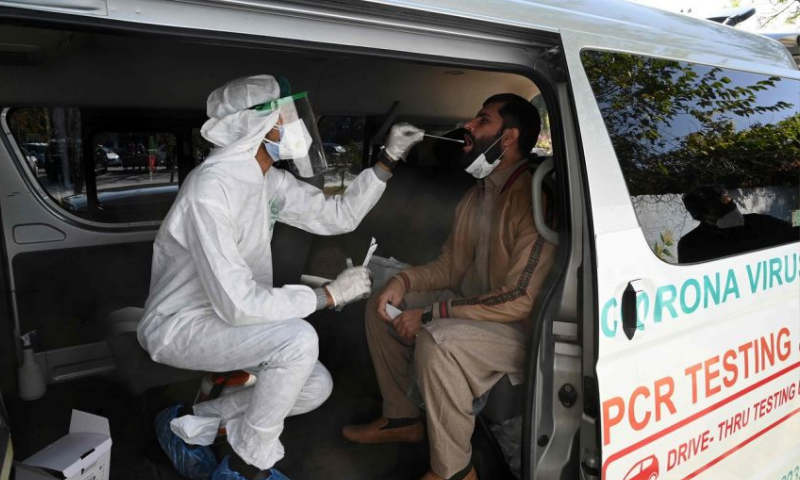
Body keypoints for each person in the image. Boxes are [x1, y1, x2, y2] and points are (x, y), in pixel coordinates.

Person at [137, 74, 424, 480]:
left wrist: (387, 161)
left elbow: (338, 216)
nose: (300, 127)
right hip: (181, 325)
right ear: (259, 124)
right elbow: (237, 303)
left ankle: (186, 423)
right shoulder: (210, 188)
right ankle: (246, 467)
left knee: (315, 385)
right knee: (298, 340)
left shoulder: (266, 179)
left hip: (227, 317)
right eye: (290, 115)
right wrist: (327, 296)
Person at [342, 94, 556, 480]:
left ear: (508, 137)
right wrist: (403, 282)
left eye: (482, 120)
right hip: (475, 309)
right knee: (383, 300)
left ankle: (454, 471)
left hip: (521, 330)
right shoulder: (478, 195)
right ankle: (402, 419)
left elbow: (520, 298)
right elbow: (450, 267)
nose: (468, 128)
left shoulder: (532, 198)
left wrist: (430, 313)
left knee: (438, 341)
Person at [678, 185, 798, 263]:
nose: (729, 207)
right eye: (718, 207)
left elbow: (794, 233)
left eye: (727, 200)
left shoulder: (760, 224)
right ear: (700, 216)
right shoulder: (690, 246)